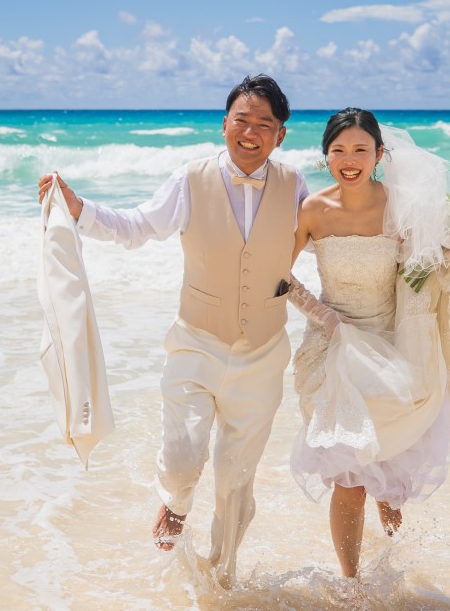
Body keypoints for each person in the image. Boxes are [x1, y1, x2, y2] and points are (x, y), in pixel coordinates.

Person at [36, 74, 335, 586]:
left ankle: (222, 577)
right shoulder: (190, 180)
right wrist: (78, 208)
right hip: (196, 341)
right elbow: (135, 226)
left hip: (263, 352)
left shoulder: (295, 187)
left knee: (236, 479)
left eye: (265, 124)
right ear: (224, 125)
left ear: (281, 136)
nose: (251, 131)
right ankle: (174, 503)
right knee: (182, 459)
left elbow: (331, 241)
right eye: (242, 120)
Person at [284, 107, 450, 578]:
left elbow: (421, 273)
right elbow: (278, 273)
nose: (349, 159)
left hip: (393, 337)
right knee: (350, 475)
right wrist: (323, 316)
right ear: (325, 156)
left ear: (380, 154)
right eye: (339, 150)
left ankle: (390, 517)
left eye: (361, 149)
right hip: (332, 342)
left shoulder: (401, 208)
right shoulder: (312, 209)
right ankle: (352, 583)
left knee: (388, 461)